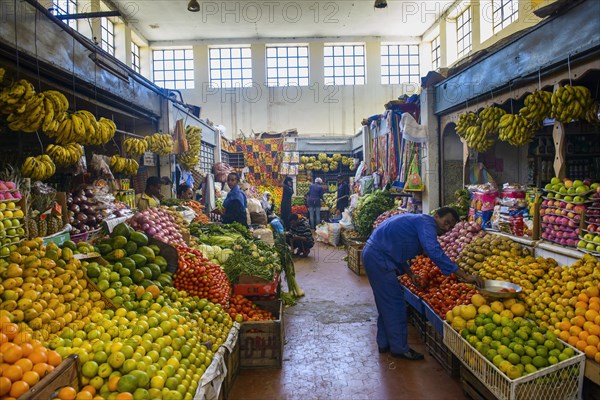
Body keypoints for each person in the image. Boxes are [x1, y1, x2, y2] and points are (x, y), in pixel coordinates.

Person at [362, 207, 483, 360]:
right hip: (379, 259)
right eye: (446, 222)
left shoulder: (419, 222)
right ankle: (399, 348)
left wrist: (410, 274)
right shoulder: (427, 223)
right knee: (395, 303)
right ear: (436, 216)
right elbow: (433, 250)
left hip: (379, 256)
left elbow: (399, 251)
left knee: (386, 302)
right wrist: (465, 276)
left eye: (451, 227)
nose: (446, 228)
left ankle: (385, 343)